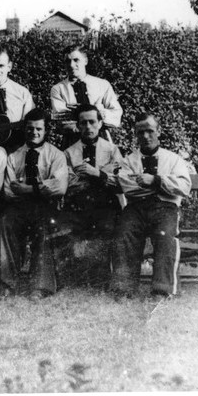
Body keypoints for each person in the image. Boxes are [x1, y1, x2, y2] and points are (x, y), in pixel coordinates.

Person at [111, 113, 191, 299]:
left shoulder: (173, 160)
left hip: (166, 208)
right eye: (140, 133)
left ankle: (162, 291)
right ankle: (124, 289)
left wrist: (155, 180)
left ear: (159, 131)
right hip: (136, 208)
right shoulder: (129, 161)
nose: (146, 136)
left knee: (165, 235)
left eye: (150, 131)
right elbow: (126, 186)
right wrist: (162, 186)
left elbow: (184, 187)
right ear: (136, 135)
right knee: (124, 232)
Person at [0, 108, 68, 300]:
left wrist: (27, 189)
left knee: (44, 226)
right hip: (19, 207)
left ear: (46, 130)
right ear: (24, 130)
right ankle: (8, 283)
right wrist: (41, 189)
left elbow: (59, 187)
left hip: (45, 207)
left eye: (39, 129)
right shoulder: (14, 156)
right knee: (6, 222)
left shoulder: (56, 155)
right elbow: (8, 190)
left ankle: (40, 286)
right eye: (30, 129)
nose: (34, 133)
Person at [54, 104, 124, 289]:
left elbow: (120, 183)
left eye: (92, 122)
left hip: (105, 203)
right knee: (65, 229)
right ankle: (73, 279)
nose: (88, 127)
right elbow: (68, 183)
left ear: (100, 123)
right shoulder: (69, 152)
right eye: (83, 123)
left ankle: (100, 279)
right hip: (78, 203)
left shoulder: (112, 150)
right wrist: (103, 173)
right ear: (77, 126)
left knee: (106, 228)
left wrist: (96, 173)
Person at [50, 46, 122, 149]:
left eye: (76, 60)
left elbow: (116, 115)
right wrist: (95, 116)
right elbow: (61, 120)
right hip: (73, 143)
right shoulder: (58, 89)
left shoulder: (102, 85)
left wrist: (100, 113)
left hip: (101, 141)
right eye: (67, 61)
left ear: (85, 61)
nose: (71, 65)